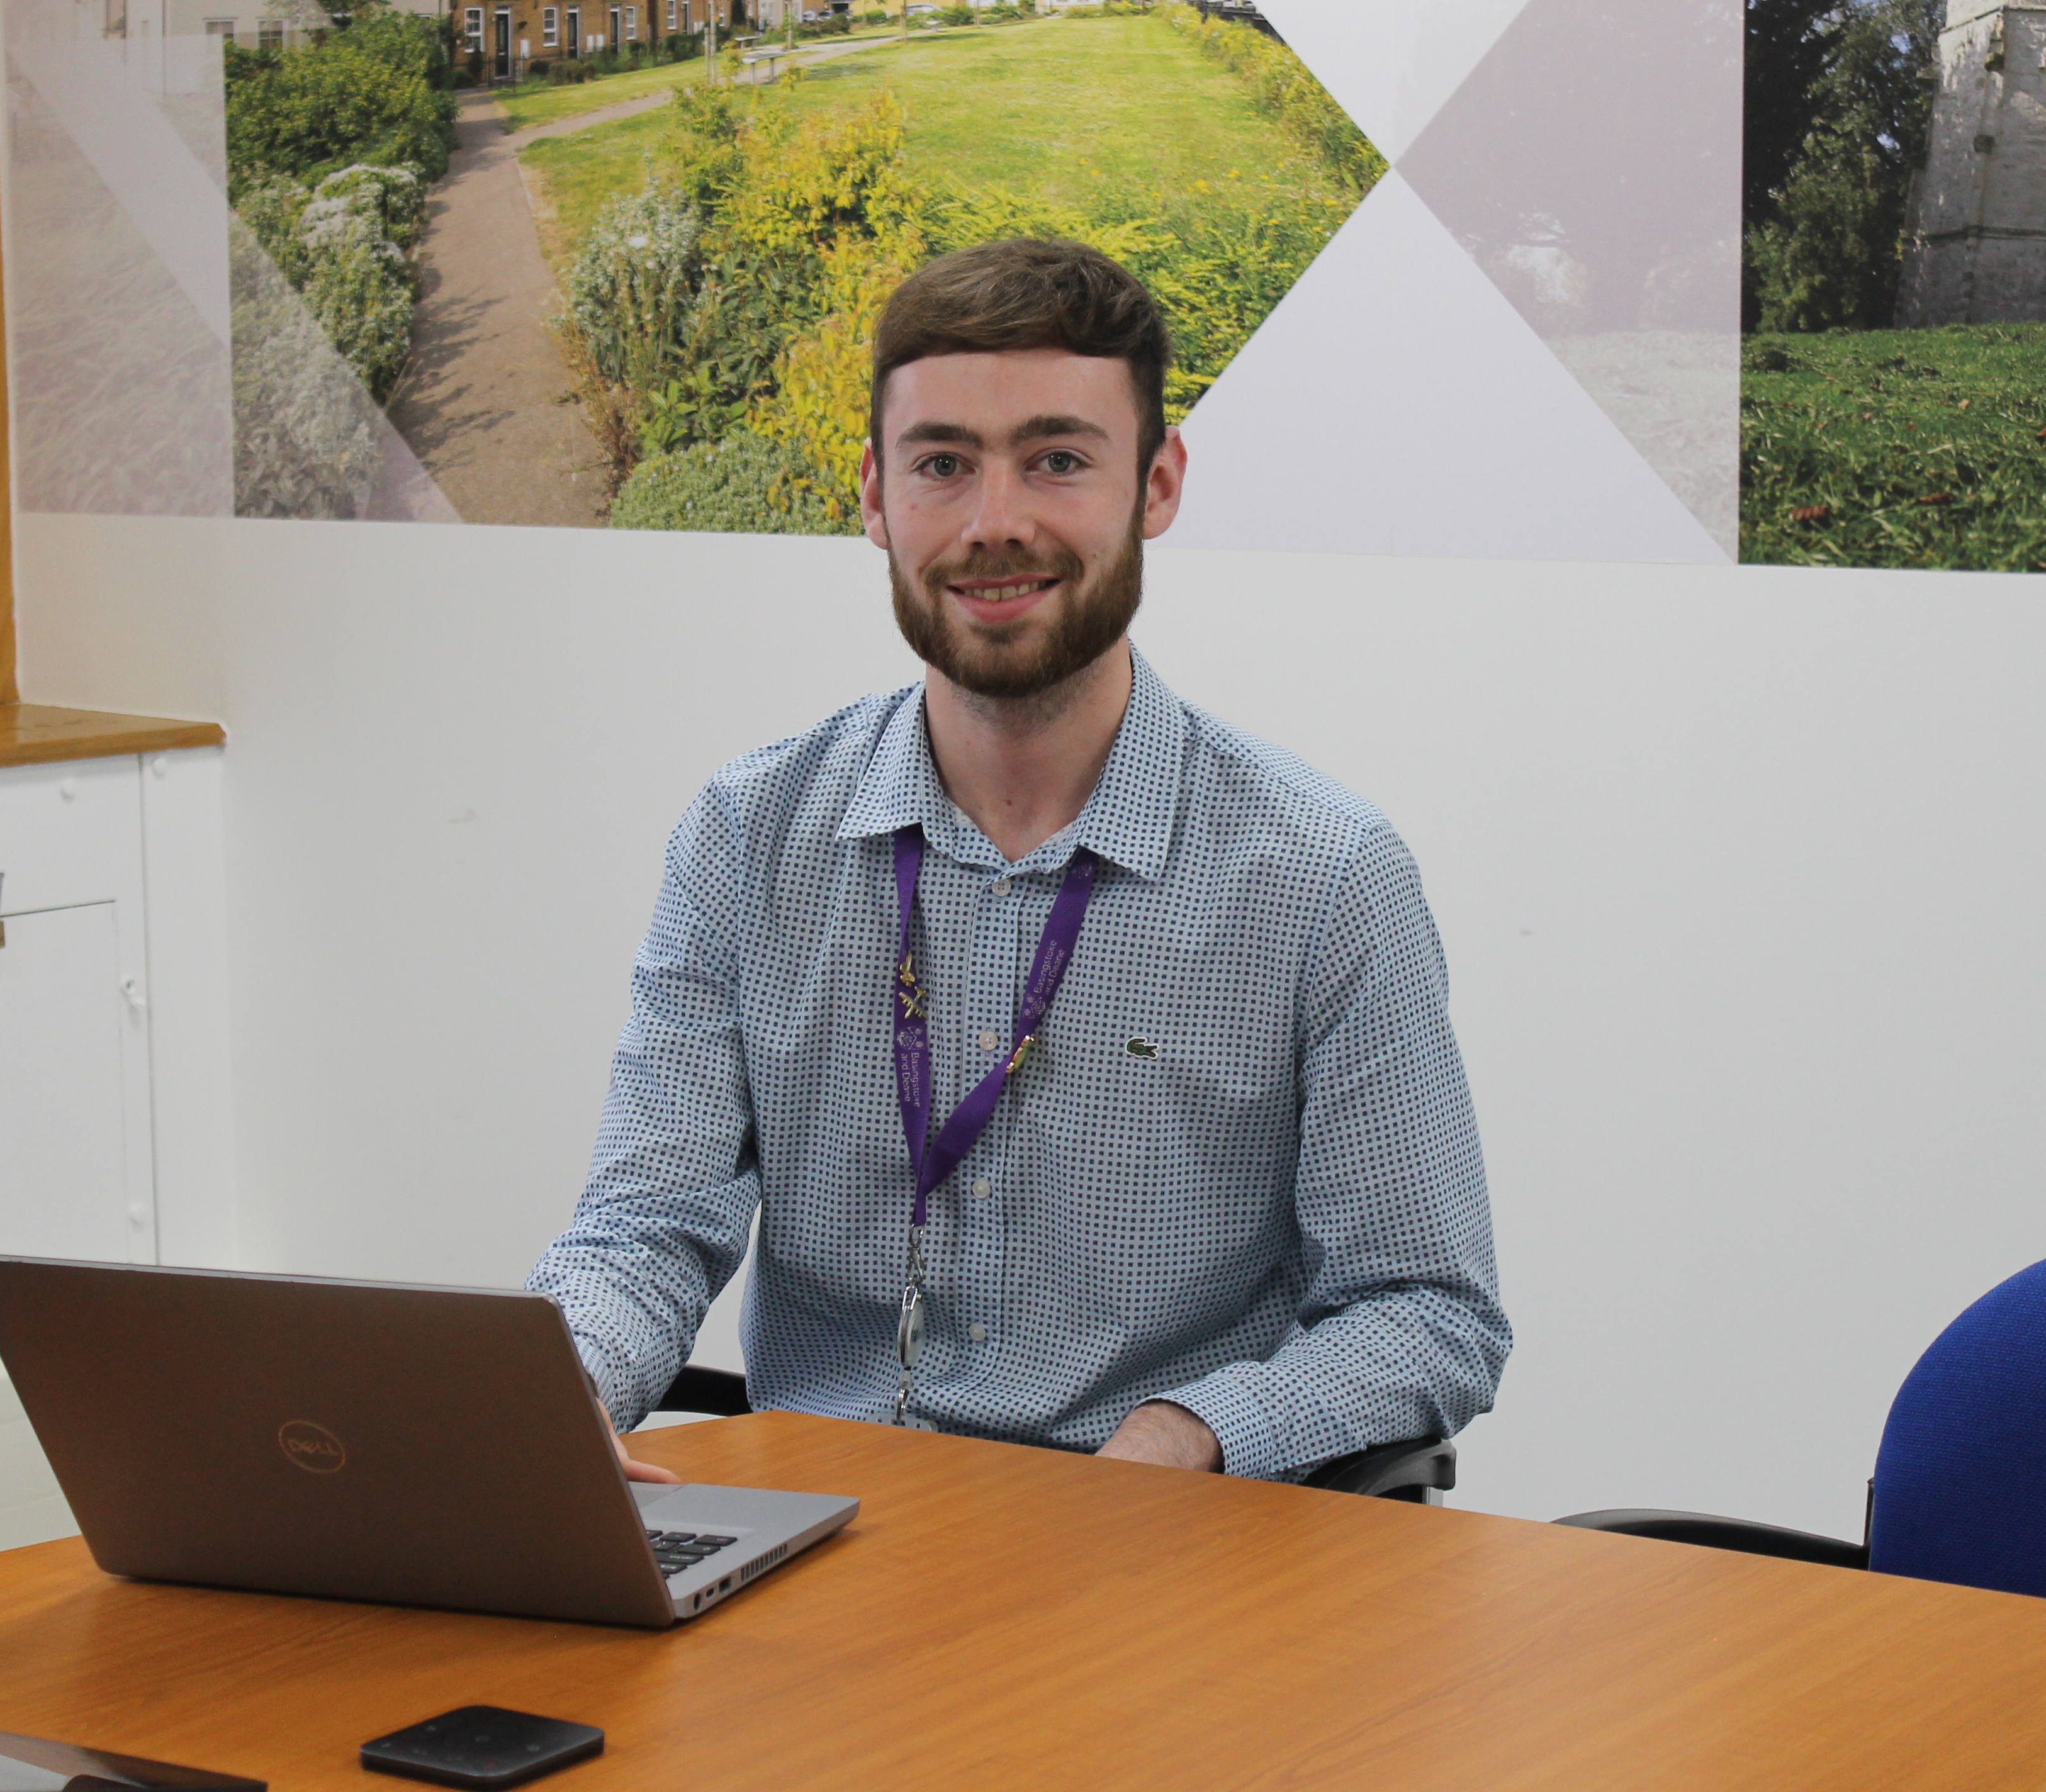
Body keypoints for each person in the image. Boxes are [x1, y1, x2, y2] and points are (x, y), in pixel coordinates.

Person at [529, 238, 1509, 1483]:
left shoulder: (1322, 877)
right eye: (943, 465)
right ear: (876, 497)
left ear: (1156, 485)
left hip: (1159, 1562)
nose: (997, 524)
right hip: (827, 1553)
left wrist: (1195, 1430)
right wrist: (561, 1402)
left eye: (1056, 460)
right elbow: (643, 1228)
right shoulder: (748, 838)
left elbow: (1429, 1311)